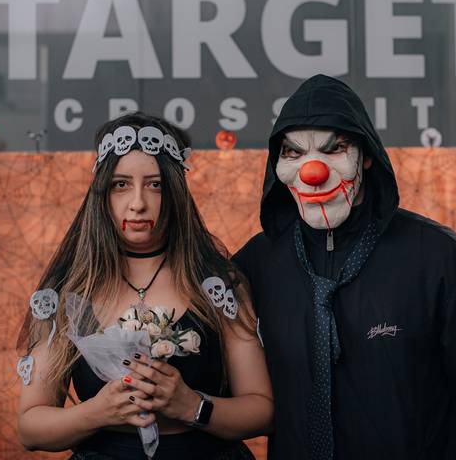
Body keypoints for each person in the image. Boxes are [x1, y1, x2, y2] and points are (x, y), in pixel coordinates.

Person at [233, 74, 456, 459]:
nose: (313, 170)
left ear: (368, 155)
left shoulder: (439, 259)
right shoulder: (256, 263)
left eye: (334, 148)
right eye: (293, 153)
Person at [16, 112, 273, 460]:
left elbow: (262, 410)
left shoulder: (216, 285)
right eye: (120, 184)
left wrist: (193, 406)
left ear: (176, 193)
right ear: (101, 194)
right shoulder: (71, 292)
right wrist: (96, 413)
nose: (137, 203)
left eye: (155, 185)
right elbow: (30, 428)